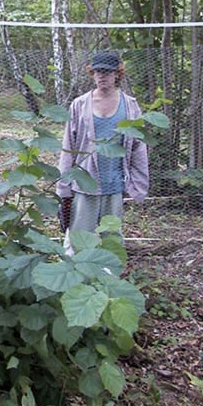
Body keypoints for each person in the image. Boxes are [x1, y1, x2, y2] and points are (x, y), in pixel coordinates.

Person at [57, 50, 149, 255]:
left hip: (115, 183)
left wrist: (138, 184)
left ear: (118, 73)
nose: (102, 76)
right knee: (78, 237)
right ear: (92, 73)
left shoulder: (131, 105)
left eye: (107, 72)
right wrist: (63, 186)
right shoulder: (79, 104)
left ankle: (110, 278)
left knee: (112, 238)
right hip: (84, 184)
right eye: (97, 71)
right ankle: (74, 279)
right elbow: (67, 146)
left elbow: (138, 147)